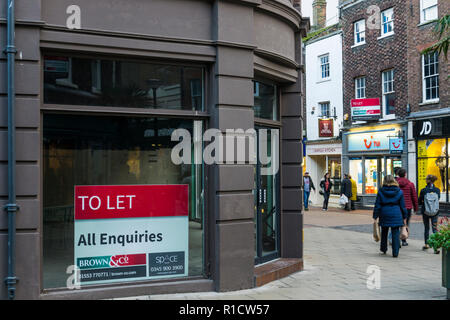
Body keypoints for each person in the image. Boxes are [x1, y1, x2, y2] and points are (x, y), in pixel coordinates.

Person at [373, 175, 408, 258]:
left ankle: (383, 248)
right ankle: (395, 252)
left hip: (384, 212)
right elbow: (403, 206)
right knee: (395, 232)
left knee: (384, 231)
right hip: (396, 213)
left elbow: (377, 205)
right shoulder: (399, 191)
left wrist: (375, 216)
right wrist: (404, 216)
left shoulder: (381, 191)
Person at [396, 168, 418, 246]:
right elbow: (414, 197)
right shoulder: (410, 184)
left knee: (397, 224)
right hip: (407, 207)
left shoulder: (395, 184)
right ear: (405, 174)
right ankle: (404, 240)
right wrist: (416, 207)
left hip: (397, 207)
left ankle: (396, 241)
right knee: (405, 223)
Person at [419, 174, 441, 253]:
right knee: (434, 228)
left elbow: (419, 201)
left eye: (426, 179)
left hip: (426, 211)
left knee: (426, 228)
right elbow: (438, 198)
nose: (425, 180)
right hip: (435, 212)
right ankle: (437, 246)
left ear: (428, 180)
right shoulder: (437, 190)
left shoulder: (423, 190)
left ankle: (426, 244)